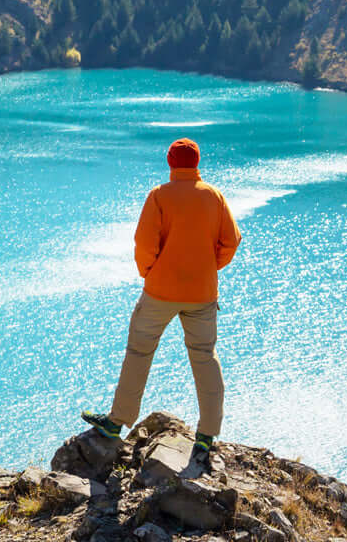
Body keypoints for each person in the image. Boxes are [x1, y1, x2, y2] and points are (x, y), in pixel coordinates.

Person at [82, 137, 241, 455]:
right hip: (202, 293)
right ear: (197, 162)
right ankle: (207, 434)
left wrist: (149, 272)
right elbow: (231, 241)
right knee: (205, 357)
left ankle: (117, 421)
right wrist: (209, 268)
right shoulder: (214, 196)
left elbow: (144, 243)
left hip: (160, 290)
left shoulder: (159, 196)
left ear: (170, 162)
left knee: (139, 352)